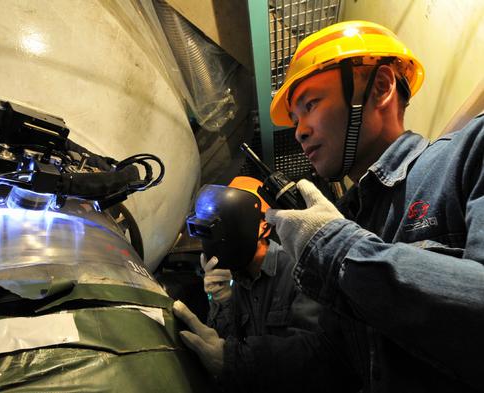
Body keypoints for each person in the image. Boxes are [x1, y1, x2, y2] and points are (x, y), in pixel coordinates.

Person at [173, 20, 484, 392]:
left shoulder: (469, 156)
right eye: (295, 118)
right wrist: (231, 357)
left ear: (381, 87)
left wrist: (333, 247)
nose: (300, 129)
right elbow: (334, 358)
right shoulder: (354, 216)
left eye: (311, 104)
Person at [200, 176, 321, 339]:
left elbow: (309, 349)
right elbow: (221, 345)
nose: (225, 228)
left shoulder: (298, 271)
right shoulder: (229, 278)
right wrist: (221, 302)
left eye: (234, 219)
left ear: (265, 224)